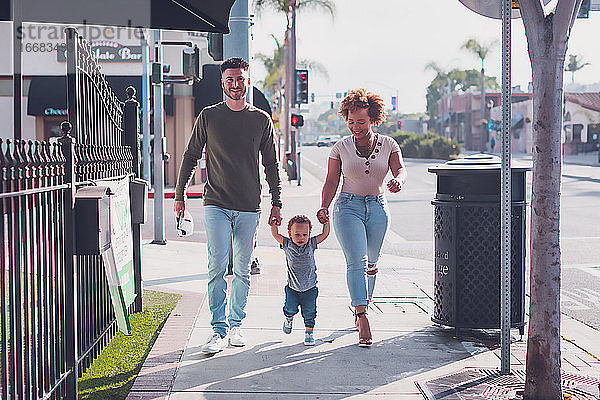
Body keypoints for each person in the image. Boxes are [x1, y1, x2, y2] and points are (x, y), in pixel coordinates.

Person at [174, 57, 282, 354]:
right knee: (217, 267)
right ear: (223, 83)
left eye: (240, 79)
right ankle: (218, 330)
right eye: (230, 80)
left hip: (249, 205)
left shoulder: (261, 120)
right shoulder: (209, 116)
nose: (235, 84)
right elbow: (190, 155)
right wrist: (179, 194)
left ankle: (237, 325)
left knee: (243, 270)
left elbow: (271, 164)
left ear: (248, 81)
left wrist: (277, 201)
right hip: (216, 203)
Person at [317, 88, 407, 347]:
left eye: (361, 122)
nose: (355, 127)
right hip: (348, 208)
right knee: (356, 261)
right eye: (351, 121)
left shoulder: (389, 144)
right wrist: (324, 206)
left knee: (371, 262)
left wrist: (398, 181)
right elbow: (332, 180)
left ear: (373, 119)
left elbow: (400, 169)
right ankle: (362, 315)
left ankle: (363, 303)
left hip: (378, 208)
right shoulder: (340, 148)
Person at [270, 215, 330, 346]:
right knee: (289, 308)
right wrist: (274, 224)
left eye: (304, 234)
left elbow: (325, 234)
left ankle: (309, 334)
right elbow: (275, 234)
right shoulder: (287, 244)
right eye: (297, 234)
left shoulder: (311, 244)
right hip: (292, 288)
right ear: (290, 234)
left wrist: (326, 222)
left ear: (309, 234)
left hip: (310, 288)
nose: (301, 238)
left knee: (310, 312)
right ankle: (289, 319)